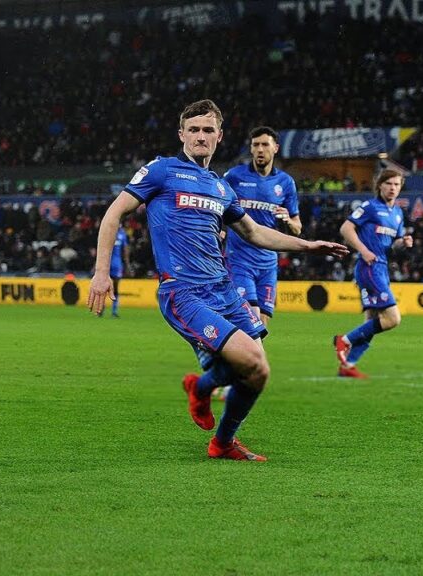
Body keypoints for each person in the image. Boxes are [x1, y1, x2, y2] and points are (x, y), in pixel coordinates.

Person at [88, 100, 348, 461]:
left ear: (219, 136)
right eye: (193, 130)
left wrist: (307, 245)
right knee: (248, 359)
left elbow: (254, 232)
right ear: (181, 134)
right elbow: (113, 213)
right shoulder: (161, 170)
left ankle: (221, 438)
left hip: (223, 289)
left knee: (259, 371)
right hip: (184, 292)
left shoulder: (221, 187)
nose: (200, 136)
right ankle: (204, 388)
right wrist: (102, 273)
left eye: (208, 130)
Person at [332, 168, 414, 379]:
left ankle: (348, 365)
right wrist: (364, 250)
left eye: (397, 184)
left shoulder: (397, 213)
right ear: (380, 185)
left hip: (382, 267)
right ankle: (345, 341)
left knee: (372, 321)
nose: (393, 188)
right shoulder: (370, 207)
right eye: (389, 184)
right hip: (369, 268)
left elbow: (393, 246)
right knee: (393, 318)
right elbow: (346, 229)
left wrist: (403, 242)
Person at [223, 126, 301, 325]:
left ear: (275, 148)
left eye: (264, 144)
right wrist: (218, 231)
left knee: (262, 323)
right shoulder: (234, 176)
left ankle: (239, 355)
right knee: (251, 317)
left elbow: (297, 228)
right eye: (255, 145)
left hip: (268, 263)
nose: (260, 149)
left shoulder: (286, 183)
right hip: (239, 260)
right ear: (250, 149)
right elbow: (217, 206)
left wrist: (288, 221)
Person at [101, 227, 130, 318]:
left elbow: (125, 250)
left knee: (115, 288)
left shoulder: (121, 233)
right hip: (108, 264)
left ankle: (113, 311)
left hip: (116, 264)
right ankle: (102, 309)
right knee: (105, 287)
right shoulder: (110, 231)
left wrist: (127, 264)